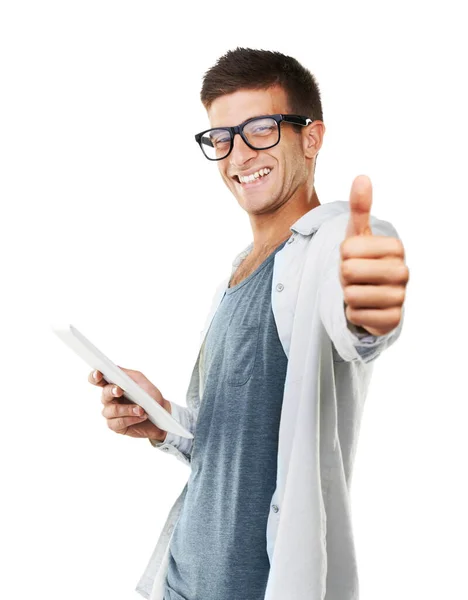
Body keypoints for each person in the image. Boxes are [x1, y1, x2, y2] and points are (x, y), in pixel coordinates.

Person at [89, 48, 409, 600]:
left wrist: (370, 305)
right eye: (222, 138)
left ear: (311, 138)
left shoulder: (333, 243)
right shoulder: (237, 273)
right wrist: (163, 421)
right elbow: (233, 443)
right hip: (179, 579)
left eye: (260, 128)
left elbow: (359, 319)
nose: (239, 154)